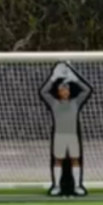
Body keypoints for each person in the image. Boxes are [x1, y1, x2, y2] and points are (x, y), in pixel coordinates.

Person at [39, 62, 93, 196]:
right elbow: (43, 91)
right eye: (62, 89)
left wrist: (75, 79)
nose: (65, 91)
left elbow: (86, 90)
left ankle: (77, 186)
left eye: (67, 89)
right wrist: (53, 78)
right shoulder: (54, 103)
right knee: (58, 160)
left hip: (72, 136)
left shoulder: (75, 102)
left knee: (75, 159)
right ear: (58, 92)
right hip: (59, 136)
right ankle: (56, 186)